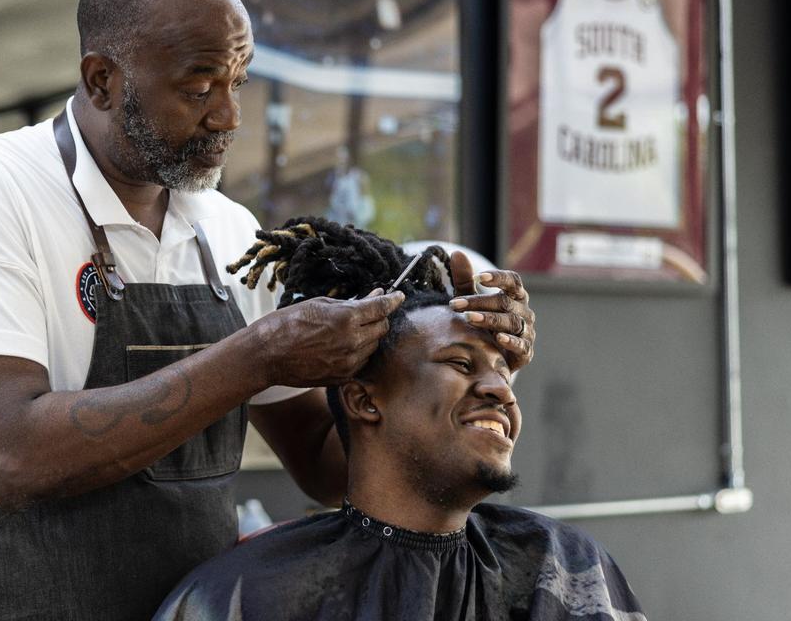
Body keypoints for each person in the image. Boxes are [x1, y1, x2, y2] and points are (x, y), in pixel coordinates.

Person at [0, 0, 536, 620]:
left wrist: (462, 375)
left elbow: (323, 462)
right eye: (199, 88)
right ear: (102, 79)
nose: (228, 116)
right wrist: (256, 357)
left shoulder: (225, 234)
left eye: (238, 81)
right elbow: (16, 456)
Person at [155, 217, 644, 621]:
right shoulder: (244, 598)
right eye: (459, 363)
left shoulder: (566, 570)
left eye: (504, 372)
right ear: (365, 401)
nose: (501, 391)